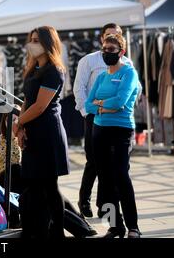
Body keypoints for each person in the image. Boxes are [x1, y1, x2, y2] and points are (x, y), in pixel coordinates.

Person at [13, 26, 70, 239]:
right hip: (33, 132)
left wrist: (18, 124)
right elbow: (27, 101)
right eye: (31, 39)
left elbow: (40, 106)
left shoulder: (54, 71)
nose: (32, 44)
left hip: (48, 134)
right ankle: (35, 229)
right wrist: (21, 128)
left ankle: (57, 231)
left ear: (48, 43)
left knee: (49, 186)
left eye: (37, 40)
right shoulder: (33, 68)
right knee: (33, 184)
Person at [85, 33, 141, 238]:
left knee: (121, 176)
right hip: (99, 130)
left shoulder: (129, 73)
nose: (106, 53)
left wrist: (102, 104)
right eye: (104, 50)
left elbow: (120, 102)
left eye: (111, 50)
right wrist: (104, 108)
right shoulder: (101, 77)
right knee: (105, 180)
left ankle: (133, 226)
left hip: (121, 130)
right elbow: (88, 104)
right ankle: (115, 226)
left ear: (121, 52)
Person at [73, 23, 131, 218]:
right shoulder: (88, 61)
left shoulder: (128, 65)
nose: (111, 40)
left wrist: (112, 105)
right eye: (108, 36)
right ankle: (84, 200)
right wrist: (87, 112)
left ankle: (104, 205)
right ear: (102, 39)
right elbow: (79, 88)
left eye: (116, 36)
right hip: (94, 118)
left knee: (114, 166)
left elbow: (129, 95)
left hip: (118, 121)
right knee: (94, 162)